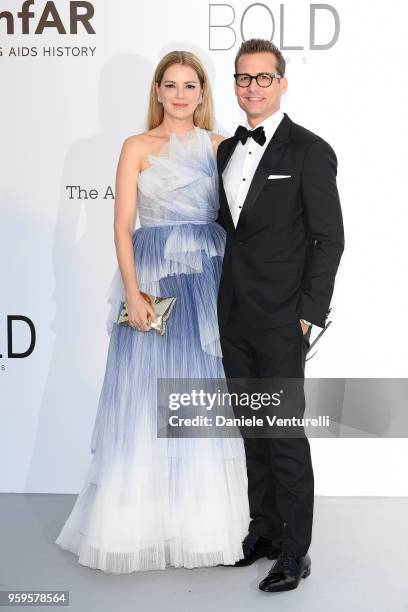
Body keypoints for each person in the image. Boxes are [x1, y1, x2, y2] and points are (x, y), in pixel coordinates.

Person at [55, 50, 250, 573]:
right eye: (171, 85)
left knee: (200, 398)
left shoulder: (220, 146)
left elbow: (240, 220)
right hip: (153, 280)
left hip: (208, 280)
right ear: (158, 92)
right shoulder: (136, 146)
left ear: (203, 93)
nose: (181, 94)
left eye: (191, 86)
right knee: (142, 397)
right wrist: (134, 293)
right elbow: (122, 226)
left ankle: (201, 525)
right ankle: (134, 525)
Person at [216, 38, 345, 592]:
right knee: (252, 430)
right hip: (233, 314)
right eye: (244, 78)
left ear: (283, 83)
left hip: (282, 318)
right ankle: (264, 531)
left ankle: (296, 550)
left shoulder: (309, 150)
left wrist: (308, 315)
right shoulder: (225, 152)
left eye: (263, 78)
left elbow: (328, 239)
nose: (252, 87)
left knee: (285, 434)